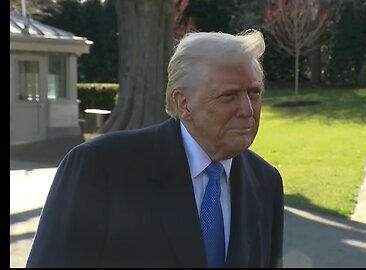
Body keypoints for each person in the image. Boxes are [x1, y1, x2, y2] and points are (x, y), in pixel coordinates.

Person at [26, 29, 284, 268]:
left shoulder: (265, 181)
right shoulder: (101, 167)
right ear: (184, 104)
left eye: (254, 93)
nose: (247, 111)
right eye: (228, 95)